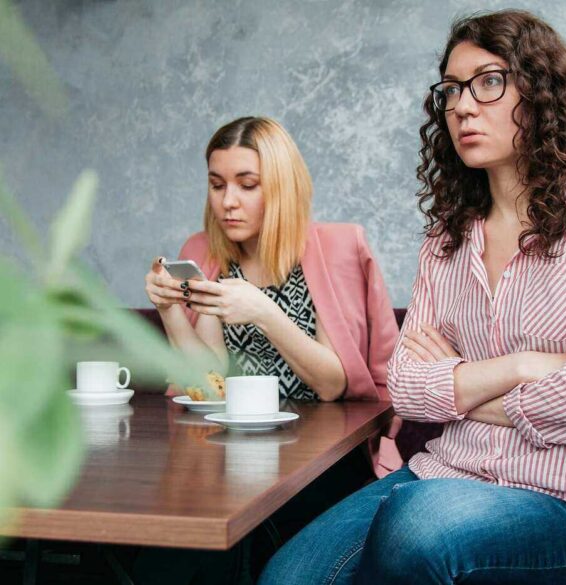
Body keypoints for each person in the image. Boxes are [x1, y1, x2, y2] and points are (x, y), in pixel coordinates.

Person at [259, 10, 566, 584]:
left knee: (419, 527)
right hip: (444, 471)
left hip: (561, 495)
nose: (462, 105)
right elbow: (407, 386)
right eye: (452, 90)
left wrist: (463, 384)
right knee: (287, 575)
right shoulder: (447, 239)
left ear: (540, 92)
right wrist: (520, 367)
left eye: (488, 82)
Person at [140, 116, 400, 583]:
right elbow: (208, 380)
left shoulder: (334, 248)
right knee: (177, 547)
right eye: (217, 185)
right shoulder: (203, 251)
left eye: (247, 184)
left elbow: (331, 383)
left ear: (280, 187)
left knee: (241, 542)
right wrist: (170, 311)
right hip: (228, 455)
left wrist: (262, 310)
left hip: (322, 458)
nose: (228, 202)